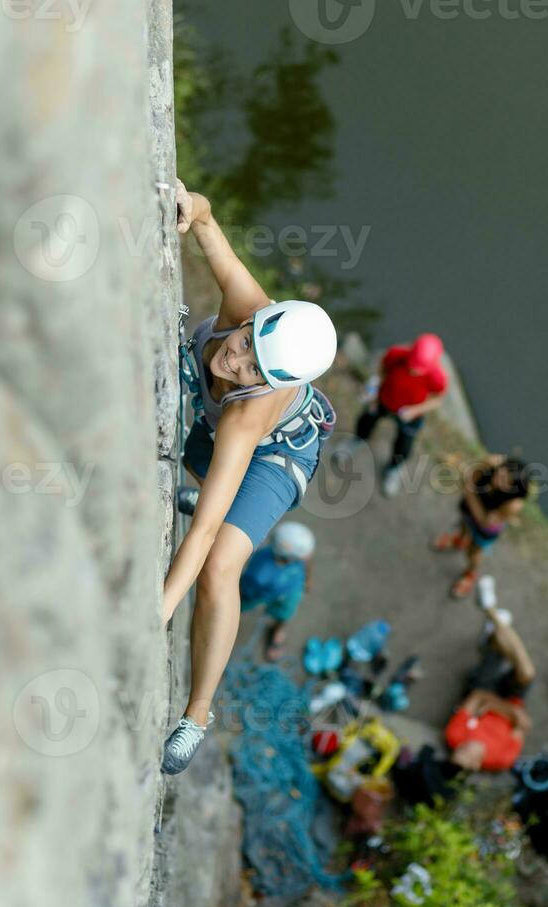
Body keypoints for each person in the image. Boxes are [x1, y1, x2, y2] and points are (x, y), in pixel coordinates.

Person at [161, 180, 337, 775]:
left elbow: (208, 532)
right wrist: (188, 203)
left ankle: (196, 714)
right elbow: (208, 224)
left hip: (278, 456)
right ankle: (201, 485)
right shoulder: (249, 308)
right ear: (252, 324)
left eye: (251, 369)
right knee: (196, 471)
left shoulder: (247, 414)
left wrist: (155, 613)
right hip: (214, 440)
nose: (231, 361)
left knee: (219, 567)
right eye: (240, 346)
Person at [347, 334, 448, 498]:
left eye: (420, 369)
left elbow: (437, 400)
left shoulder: (437, 377)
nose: (414, 371)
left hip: (410, 413)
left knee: (404, 444)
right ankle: (356, 440)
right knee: (366, 421)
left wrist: (415, 410)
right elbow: (382, 371)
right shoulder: (396, 355)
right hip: (385, 399)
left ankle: (394, 468)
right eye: (413, 365)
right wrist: (373, 390)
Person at [444, 598, 535, 772]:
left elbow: (477, 696)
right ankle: (494, 621)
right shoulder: (501, 759)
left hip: (483, 689)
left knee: (497, 656)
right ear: (477, 765)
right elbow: (523, 725)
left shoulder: (454, 736)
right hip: (512, 699)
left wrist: (496, 707)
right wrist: (498, 708)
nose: (464, 746)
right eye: (466, 754)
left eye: (459, 749)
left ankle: (493, 617)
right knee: (527, 673)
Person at [432, 454, 532, 598]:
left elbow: (486, 522)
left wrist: (469, 491)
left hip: (485, 529)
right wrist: (471, 488)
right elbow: (472, 477)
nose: (499, 479)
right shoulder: (490, 465)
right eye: (503, 472)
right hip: (469, 512)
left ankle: (470, 573)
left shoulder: (513, 504)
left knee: (474, 552)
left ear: (514, 489)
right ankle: (459, 541)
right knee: (463, 527)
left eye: (507, 482)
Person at [239, 521, 315, 660]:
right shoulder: (260, 574)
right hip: (260, 594)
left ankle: (278, 630)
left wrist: (307, 581)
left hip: (291, 590)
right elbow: (248, 591)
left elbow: (307, 561)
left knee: (285, 614)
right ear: (289, 557)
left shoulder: (296, 555)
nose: (305, 558)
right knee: (239, 606)